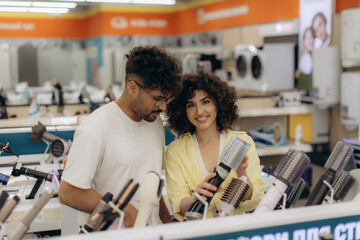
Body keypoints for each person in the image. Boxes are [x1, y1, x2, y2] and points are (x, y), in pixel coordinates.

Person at [59, 46, 182, 228]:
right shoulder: (96, 127)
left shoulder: (154, 123)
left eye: (166, 100)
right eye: (158, 99)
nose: (163, 107)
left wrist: (167, 221)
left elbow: (151, 187)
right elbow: (69, 193)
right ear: (132, 87)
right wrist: (119, 209)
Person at [165, 71, 265, 221]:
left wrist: (242, 174)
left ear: (218, 103)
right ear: (183, 110)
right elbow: (178, 204)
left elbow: (255, 200)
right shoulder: (176, 151)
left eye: (205, 102)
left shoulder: (243, 142)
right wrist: (195, 199)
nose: (199, 111)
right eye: (191, 105)